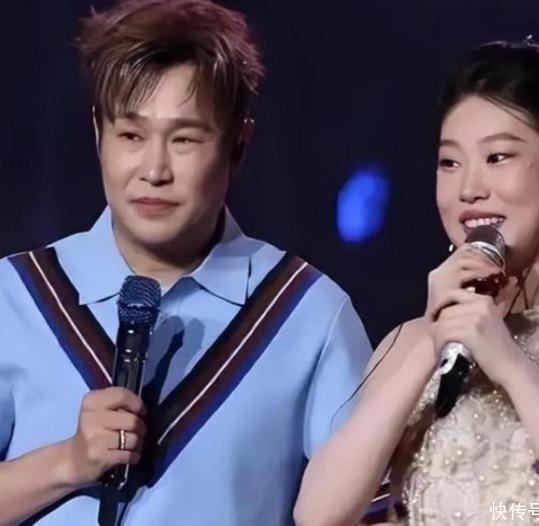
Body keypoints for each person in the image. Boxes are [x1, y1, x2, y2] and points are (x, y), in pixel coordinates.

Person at [0, 1, 372, 524]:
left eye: (184, 140)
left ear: (238, 144)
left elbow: (371, 512)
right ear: (98, 133)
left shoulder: (307, 314)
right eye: (131, 136)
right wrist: (67, 461)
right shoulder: (17, 295)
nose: (154, 170)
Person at [294, 38, 539, 526]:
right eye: (450, 162)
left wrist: (515, 369)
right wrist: (431, 340)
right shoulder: (407, 343)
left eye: (497, 157)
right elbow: (317, 515)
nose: (469, 189)